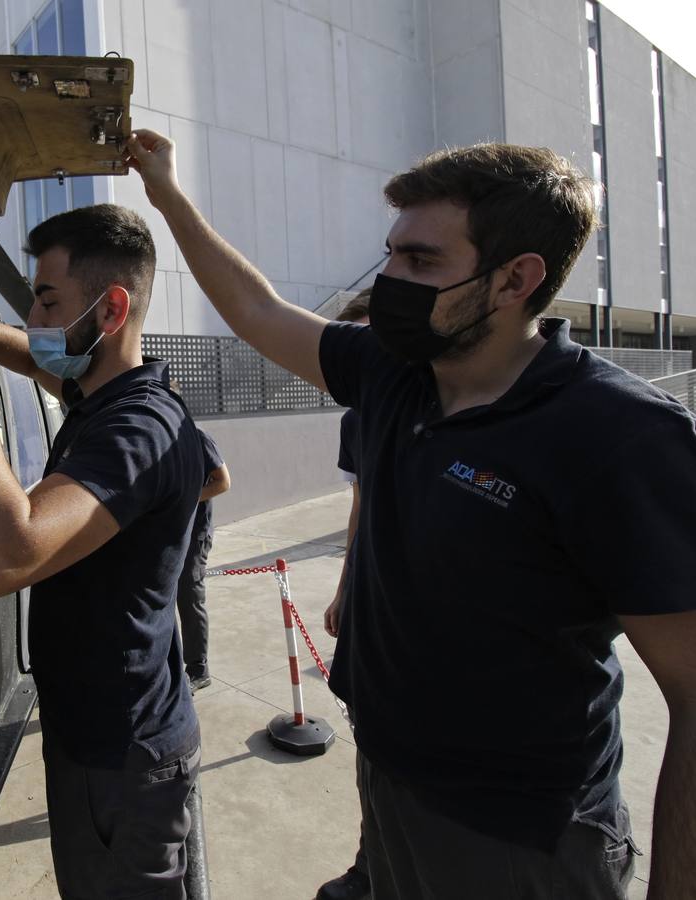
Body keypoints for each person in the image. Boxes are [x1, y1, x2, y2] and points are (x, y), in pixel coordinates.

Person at [125, 130, 696, 899]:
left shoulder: (622, 437)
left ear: (514, 279)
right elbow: (258, 310)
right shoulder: (396, 374)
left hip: (514, 836)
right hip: (389, 777)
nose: (389, 278)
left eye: (421, 261)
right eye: (390, 253)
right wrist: (166, 194)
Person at [0, 203, 203, 899]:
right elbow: (44, 361)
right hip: (104, 733)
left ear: (109, 310)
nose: (32, 315)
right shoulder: (110, 393)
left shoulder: (135, 429)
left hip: (122, 754)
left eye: (46, 299)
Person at [318, 290, 372, 900]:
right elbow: (360, 507)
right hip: (369, 611)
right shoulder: (356, 420)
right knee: (373, 747)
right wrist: (344, 588)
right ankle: (372, 862)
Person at [179, 422, 230, 693]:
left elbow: (223, 482)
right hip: (170, 534)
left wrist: (183, 498)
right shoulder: (157, 436)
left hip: (195, 534)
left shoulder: (197, 436)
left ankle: (199, 670)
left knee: (189, 597)